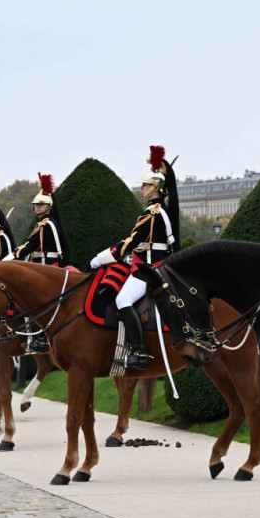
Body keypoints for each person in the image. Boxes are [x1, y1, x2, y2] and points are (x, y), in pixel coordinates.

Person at [90, 145, 180, 370]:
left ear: (155, 187)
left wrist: (101, 258)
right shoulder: (157, 210)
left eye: (145, 184)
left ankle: (139, 352)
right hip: (148, 261)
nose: (142, 188)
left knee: (122, 300)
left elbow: (131, 242)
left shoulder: (153, 212)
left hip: (151, 267)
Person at [6, 173, 71, 352]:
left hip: (48, 266)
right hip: (43, 266)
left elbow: (31, 245)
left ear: (48, 206)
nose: (37, 207)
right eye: (36, 205)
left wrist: (11, 257)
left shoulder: (46, 224)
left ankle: (40, 337)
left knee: (33, 300)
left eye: (41, 204)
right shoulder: (44, 223)